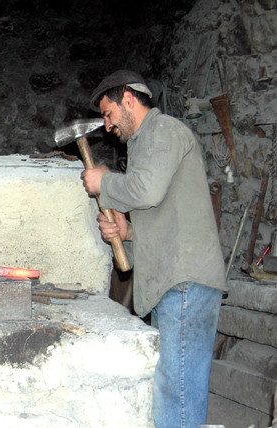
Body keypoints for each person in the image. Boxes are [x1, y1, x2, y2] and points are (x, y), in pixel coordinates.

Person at [81, 70, 227, 428]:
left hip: (185, 282)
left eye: (108, 114)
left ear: (128, 99)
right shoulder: (146, 143)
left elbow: (146, 191)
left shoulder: (164, 131)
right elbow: (161, 211)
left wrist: (104, 181)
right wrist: (128, 232)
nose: (107, 125)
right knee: (174, 386)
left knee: (176, 391)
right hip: (173, 282)